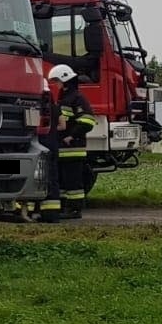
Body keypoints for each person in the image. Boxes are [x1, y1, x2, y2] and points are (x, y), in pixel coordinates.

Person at [46, 64, 97, 221]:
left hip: (73, 149)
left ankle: (75, 209)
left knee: (73, 182)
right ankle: (64, 208)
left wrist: (72, 136)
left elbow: (88, 121)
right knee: (63, 182)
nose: (56, 84)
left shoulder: (77, 98)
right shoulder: (64, 99)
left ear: (65, 80)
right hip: (62, 150)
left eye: (57, 81)